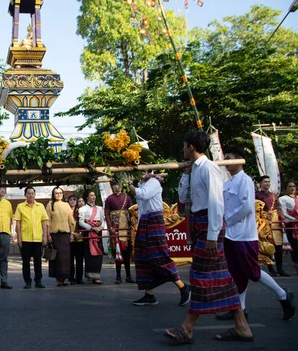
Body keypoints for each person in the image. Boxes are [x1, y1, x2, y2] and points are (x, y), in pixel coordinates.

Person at [166, 131, 251, 344]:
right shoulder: (194, 169)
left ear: (192, 147)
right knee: (220, 276)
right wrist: (185, 174)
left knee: (200, 275)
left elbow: (216, 202)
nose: (183, 149)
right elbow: (184, 196)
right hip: (200, 225)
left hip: (209, 228)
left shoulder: (210, 168)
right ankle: (242, 326)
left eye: (185, 145)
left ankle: (187, 327)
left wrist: (213, 236)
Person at [214, 147, 295, 322]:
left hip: (244, 235)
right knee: (236, 272)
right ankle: (240, 309)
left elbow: (247, 207)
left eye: (229, 158)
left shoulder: (245, 181)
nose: (226, 162)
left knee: (252, 271)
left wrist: (228, 219)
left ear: (239, 159)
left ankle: (283, 295)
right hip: (230, 235)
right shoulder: (227, 183)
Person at [128, 173, 189, 306]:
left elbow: (142, 194)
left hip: (154, 219)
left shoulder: (154, 183)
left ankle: (183, 287)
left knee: (159, 256)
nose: (140, 174)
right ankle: (149, 294)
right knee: (142, 257)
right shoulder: (142, 184)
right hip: (144, 221)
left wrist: (128, 184)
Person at [14, 186, 49, 289]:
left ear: (35, 194)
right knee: (26, 262)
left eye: (32, 193)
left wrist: (45, 236)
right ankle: (27, 281)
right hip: (25, 238)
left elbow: (44, 221)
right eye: (28, 193)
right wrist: (19, 238)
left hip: (38, 238)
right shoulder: (20, 206)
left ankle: (38, 281)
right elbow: (18, 223)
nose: (31, 195)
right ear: (25, 195)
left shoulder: (40, 206)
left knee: (38, 261)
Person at [256, 176, 287, 276]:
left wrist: (282, 218)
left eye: (269, 181)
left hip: (275, 222)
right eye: (265, 181)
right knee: (267, 246)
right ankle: (271, 269)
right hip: (263, 223)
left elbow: (278, 209)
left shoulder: (274, 196)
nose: (267, 183)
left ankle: (280, 269)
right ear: (260, 183)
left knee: (278, 246)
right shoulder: (256, 195)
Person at [104, 181, 135, 284]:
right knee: (117, 251)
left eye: (120, 185)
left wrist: (132, 226)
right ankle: (118, 276)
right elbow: (107, 214)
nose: (118, 187)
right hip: (115, 227)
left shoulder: (127, 197)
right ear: (113, 186)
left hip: (126, 227)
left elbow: (132, 212)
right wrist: (110, 227)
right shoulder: (109, 199)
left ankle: (128, 276)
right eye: (116, 185)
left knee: (127, 252)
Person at [46, 187, 75, 286]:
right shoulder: (50, 205)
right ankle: (58, 279)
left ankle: (64, 278)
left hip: (65, 234)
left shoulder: (66, 205)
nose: (58, 195)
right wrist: (47, 235)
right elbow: (47, 221)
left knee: (65, 258)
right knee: (56, 257)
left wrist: (71, 234)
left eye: (60, 193)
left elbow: (71, 221)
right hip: (54, 235)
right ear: (53, 194)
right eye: (56, 193)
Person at [78, 190, 105, 285]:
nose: (93, 197)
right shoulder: (82, 209)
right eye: (91, 195)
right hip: (89, 232)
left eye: (94, 195)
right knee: (89, 255)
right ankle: (91, 275)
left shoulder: (100, 208)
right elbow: (81, 222)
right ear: (87, 197)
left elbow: (103, 220)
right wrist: (91, 227)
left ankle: (97, 276)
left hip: (98, 232)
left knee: (98, 254)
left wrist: (101, 227)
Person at [278, 180, 298, 274]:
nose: (292, 188)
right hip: (291, 225)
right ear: (286, 189)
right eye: (290, 186)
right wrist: (294, 219)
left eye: (293, 186)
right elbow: (283, 213)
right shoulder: (283, 199)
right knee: (295, 246)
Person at [69, 197, 85, 285]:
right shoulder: (66, 210)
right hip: (69, 238)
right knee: (70, 259)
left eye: (74, 199)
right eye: (70, 200)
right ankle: (71, 277)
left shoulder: (80, 211)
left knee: (79, 259)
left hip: (79, 237)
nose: (72, 201)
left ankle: (79, 278)